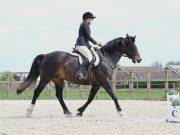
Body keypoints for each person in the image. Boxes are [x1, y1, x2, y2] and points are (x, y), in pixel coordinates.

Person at [75, 12, 102, 80]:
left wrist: (92, 46)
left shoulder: (85, 25)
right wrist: (97, 43)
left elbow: (86, 39)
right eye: (91, 19)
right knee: (90, 58)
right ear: (87, 19)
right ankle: (79, 72)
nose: (92, 21)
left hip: (84, 44)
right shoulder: (85, 25)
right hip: (81, 44)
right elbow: (88, 37)